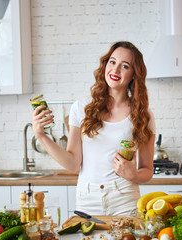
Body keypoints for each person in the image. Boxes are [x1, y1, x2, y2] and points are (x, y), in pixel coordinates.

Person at [32, 41, 156, 215]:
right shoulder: (81, 108)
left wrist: (134, 175)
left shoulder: (143, 115)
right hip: (87, 198)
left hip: (124, 198)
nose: (115, 69)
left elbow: (147, 170)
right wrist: (41, 136)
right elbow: (72, 164)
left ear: (134, 74)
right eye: (112, 62)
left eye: (124, 66)